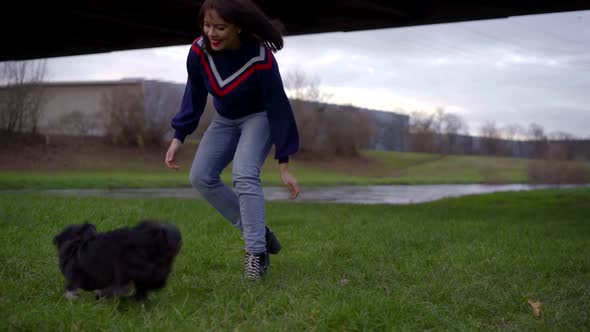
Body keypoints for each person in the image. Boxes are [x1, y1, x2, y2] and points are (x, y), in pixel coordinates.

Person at [164, 0, 300, 281]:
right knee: (201, 176)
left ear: (237, 27)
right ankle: (259, 232)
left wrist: (284, 162)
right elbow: (194, 93)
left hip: (259, 117)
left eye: (220, 27)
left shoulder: (260, 56)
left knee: (244, 174)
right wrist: (179, 136)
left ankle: (256, 255)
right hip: (224, 119)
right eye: (206, 25)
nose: (211, 33)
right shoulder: (199, 51)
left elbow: (277, 106)